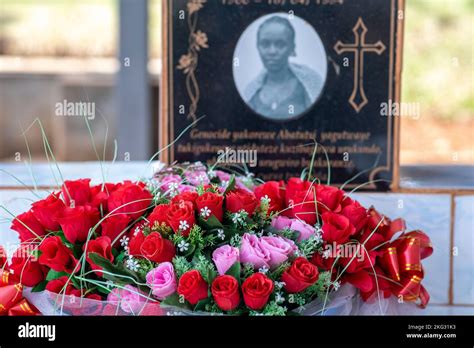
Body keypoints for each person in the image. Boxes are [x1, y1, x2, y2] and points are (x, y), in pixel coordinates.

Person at [243, 16, 323, 120]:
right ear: (258, 47)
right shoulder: (251, 93)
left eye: (280, 44)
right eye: (265, 44)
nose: (272, 51)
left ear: (292, 48)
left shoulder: (310, 85)